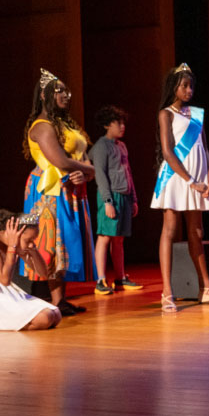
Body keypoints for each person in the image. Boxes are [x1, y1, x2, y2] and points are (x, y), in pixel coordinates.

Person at [22, 69, 96, 316]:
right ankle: (54, 300)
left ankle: (60, 300)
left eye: (67, 90)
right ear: (45, 95)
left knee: (67, 241)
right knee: (53, 241)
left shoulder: (65, 125)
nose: (66, 95)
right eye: (59, 91)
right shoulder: (42, 127)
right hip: (50, 191)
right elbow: (60, 161)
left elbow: (77, 159)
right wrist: (88, 168)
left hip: (70, 188)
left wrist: (84, 174)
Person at [151, 63, 209, 313]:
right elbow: (169, 152)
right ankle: (167, 292)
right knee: (170, 231)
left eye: (191, 85)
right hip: (177, 178)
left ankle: (206, 288)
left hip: (199, 178)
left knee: (197, 232)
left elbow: (204, 147)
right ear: (174, 87)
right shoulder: (166, 114)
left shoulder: (196, 113)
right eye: (184, 85)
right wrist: (191, 180)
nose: (189, 90)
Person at [89, 105, 141, 295]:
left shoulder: (122, 145)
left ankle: (120, 278)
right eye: (117, 123)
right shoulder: (101, 146)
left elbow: (128, 172)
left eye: (122, 123)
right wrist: (108, 201)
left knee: (118, 240)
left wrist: (133, 198)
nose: (122, 126)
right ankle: (101, 280)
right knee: (104, 237)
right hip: (109, 196)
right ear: (106, 125)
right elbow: (100, 175)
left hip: (124, 196)